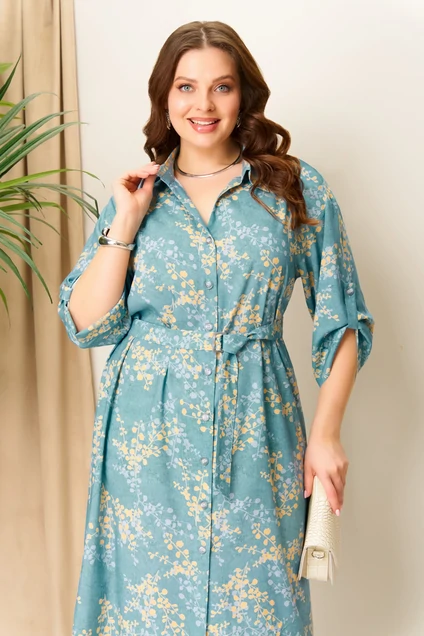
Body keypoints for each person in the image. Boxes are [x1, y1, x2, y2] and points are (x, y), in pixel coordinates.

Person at [58, 20, 375, 636]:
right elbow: (86, 326)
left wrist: (326, 433)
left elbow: (343, 318)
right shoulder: (137, 195)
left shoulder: (293, 188)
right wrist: (126, 223)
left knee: (259, 602)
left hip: (256, 420)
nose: (202, 104)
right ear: (164, 96)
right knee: (147, 604)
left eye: (221, 87)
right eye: (185, 86)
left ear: (243, 95)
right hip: (145, 433)